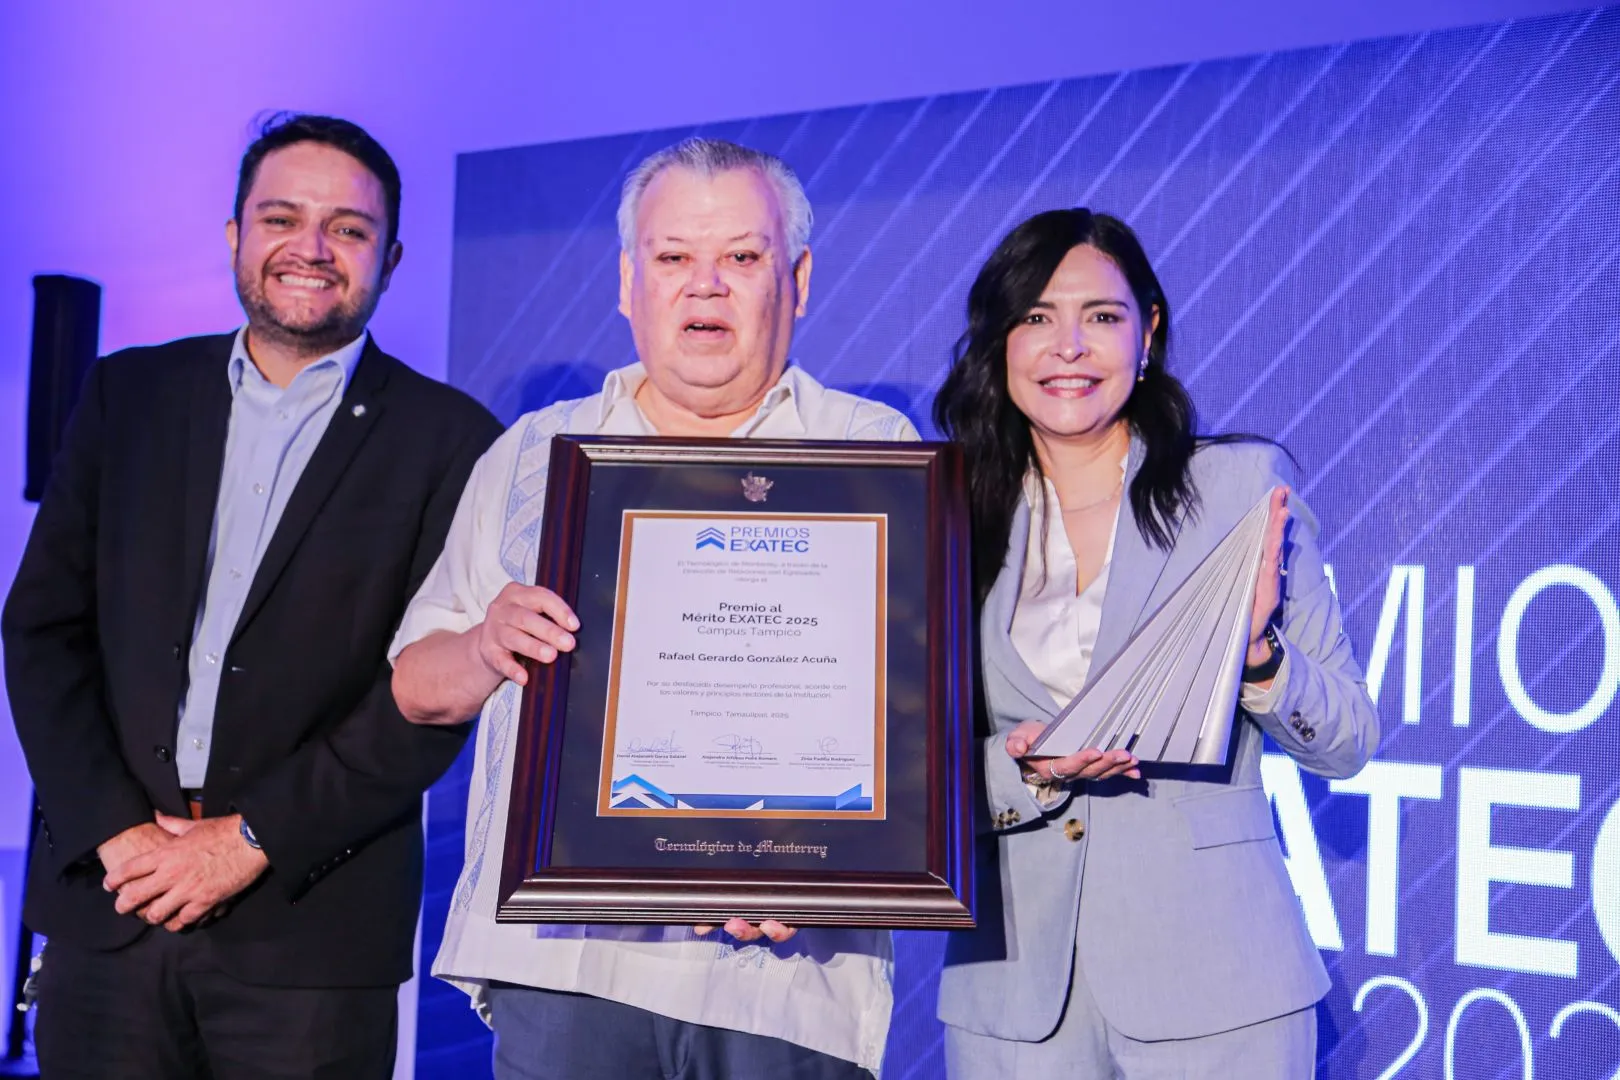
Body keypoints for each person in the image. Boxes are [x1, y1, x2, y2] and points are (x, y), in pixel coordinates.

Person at [390, 137, 916, 1079]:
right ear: (628, 283)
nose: (704, 286)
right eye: (673, 257)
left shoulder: (872, 449)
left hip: (789, 976)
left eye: (742, 259)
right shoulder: (533, 454)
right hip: (567, 965)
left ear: (797, 279)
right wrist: (488, 642)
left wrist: (834, 865)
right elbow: (416, 687)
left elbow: (917, 714)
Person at [2, 112, 502, 1079]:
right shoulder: (127, 398)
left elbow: (425, 703)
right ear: (236, 236)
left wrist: (251, 838)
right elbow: (43, 632)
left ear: (389, 258)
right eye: (282, 217)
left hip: (310, 935)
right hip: (111, 907)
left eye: (347, 230)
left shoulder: (453, 441)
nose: (310, 249)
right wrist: (117, 834)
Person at [931, 208, 1380, 1078]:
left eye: (1101, 316)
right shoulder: (953, 515)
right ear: (999, 343)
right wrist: (1019, 769)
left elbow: (1351, 740)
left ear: (1149, 334)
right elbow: (908, 767)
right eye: (1036, 317)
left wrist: (1257, 663)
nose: (1069, 346)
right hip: (1013, 997)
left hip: (1219, 985)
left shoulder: (1240, 487)